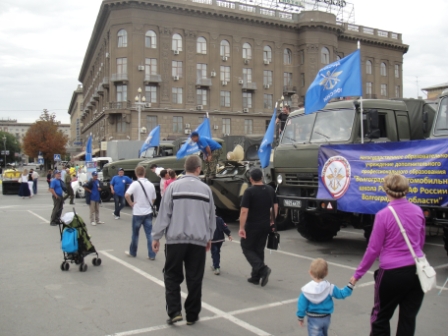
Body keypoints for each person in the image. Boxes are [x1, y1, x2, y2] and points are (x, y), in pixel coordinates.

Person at [350, 174, 425, 336]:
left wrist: (358, 274)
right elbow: (421, 242)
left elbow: (373, 249)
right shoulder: (418, 211)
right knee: (408, 318)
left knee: (380, 317)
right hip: (417, 272)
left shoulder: (383, 215)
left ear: (386, 190)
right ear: (406, 190)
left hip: (391, 273)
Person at [152, 155, 216, 326]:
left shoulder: (173, 187)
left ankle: (174, 312)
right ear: (198, 169)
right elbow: (211, 216)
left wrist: (156, 236)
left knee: (172, 276)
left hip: (175, 240)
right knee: (195, 278)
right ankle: (192, 315)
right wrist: (209, 236)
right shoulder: (205, 189)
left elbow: (164, 214)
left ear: (185, 168)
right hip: (198, 241)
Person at [239, 167, 278, 287]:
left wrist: (241, 228)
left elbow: (244, 211)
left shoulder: (249, 192)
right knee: (259, 249)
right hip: (266, 225)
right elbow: (275, 206)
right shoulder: (270, 190)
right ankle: (255, 277)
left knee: (246, 247)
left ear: (251, 179)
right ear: (262, 177)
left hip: (252, 225)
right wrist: (272, 220)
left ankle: (262, 269)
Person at [297, 258, 354, 336]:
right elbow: (341, 294)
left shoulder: (307, 289)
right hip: (326, 318)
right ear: (326, 273)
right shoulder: (330, 287)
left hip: (313, 319)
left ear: (310, 273)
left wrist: (300, 317)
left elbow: (302, 305)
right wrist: (350, 285)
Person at [124, 166, 157, 259]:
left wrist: (131, 203)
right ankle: (152, 254)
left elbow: (127, 195)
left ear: (136, 174)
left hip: (137, 212)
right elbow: (154, 198)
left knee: (135, 234)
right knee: (149, 234)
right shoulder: (151, 184)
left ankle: (133, 252)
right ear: (145, 173)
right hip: (148, 212)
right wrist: (149, 204)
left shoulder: (135, 184)